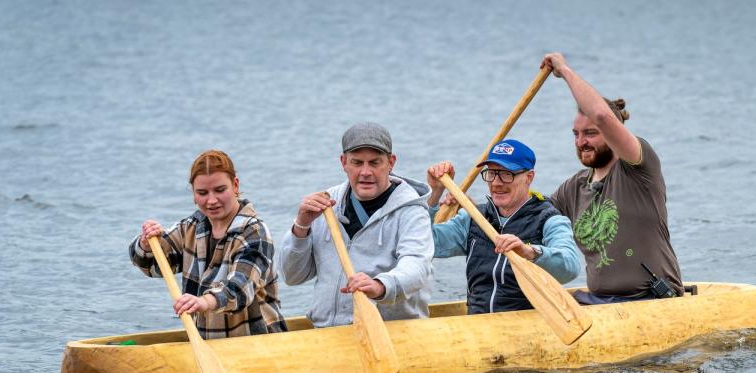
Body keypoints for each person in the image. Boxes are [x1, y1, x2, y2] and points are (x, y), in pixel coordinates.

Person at [542, 52, 684, 304]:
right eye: (576, 134)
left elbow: (602, 116)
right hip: (598, 301)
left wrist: (564, 70)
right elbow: (527, 215)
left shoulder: (639, 167)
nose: (581, 142)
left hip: (650, 300)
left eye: (590, 133)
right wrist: (459, 201)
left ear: (613, 134)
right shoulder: (573, 188)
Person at [279, 122, 434, 327]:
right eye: (357, 162)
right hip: (327, 332)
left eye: (375, 162)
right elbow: (292, 277)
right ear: (344, 162)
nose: (365, 172)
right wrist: (301, 227)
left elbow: (417, 267)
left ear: (391, 162)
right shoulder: (326, 205)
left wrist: (380, 286)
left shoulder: (412, 211)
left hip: (391, 332)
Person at [130, 149, 287, 338]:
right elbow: (153, 266)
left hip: (259, 344)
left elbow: (240, 288)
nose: (211, 201)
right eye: (202, 193)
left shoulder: (255, 232)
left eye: (220, 190)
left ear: (235, 185)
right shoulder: (190, 227)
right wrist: (147, 244)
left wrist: (205, 302)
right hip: (207, 343)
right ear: (194, 194)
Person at [425, 138, 583, 314]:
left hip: (529, 326)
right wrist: (434, 192)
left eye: (507, 174)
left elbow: (570, 266)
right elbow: (425, 244)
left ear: (529, 177)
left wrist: (528, 252)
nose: (496, 183)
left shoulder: (549, 219)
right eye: (492, 173)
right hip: (478, 323)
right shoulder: (474, 218)